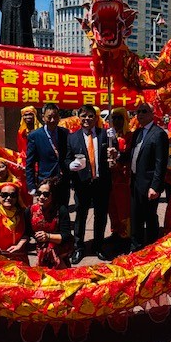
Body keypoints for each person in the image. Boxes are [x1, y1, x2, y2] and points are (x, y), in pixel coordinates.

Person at [118, 102, 169, 253]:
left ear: (152, 114)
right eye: (138, 111)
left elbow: (161, 163)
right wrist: (118, 155)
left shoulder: (159, 134)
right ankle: (136, 246)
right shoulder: (137, 133)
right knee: (135, 216)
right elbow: (131, 155)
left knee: (150, 217)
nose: (140, 114)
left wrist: (155, 186)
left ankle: (153, 247)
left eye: (144, 111)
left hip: (149, 185)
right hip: (135, 182)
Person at [65, 104, 112, 264]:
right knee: (81, 216)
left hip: (101, 182)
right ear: (79, 118)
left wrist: (115, 146)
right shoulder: (72, 137)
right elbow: (66, 158)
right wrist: (70, 165)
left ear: (95, 118)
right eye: (84, 116)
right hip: (82, 183)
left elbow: (114, 154)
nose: (87, 119)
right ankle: (79, 247)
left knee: (100, 216)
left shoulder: (105, 134)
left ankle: (98, 246)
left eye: (90, 116)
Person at [25, 177, 73, 268]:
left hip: (58, 251)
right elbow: (26, 233)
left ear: (53, 195)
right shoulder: (30, 210)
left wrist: (48, 236)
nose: (41, 197)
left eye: (46, 194)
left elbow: (66, 236)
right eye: (39, 193)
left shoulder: (61, 210)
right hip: (41, 251)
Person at [25, 103, 70, 203]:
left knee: (63, 212)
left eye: (55, 117)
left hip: (63, 181)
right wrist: (31, 186)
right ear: (43, 117)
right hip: (45, 181)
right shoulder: (35, 136)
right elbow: (30, 163)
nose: (53, 120)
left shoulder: (65, 133)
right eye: (49, 117)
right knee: (46, 213)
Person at [106, 107, 132, 249]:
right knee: (112, 207)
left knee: (123, 207)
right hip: (110, 178)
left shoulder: (129, 136)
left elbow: (128, 155)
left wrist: (115, 142)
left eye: (119, 118)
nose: (116, 121)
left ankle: (125, 235)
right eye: (114, 118)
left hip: (123, 178)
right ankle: (115, 232)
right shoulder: (108, 135)